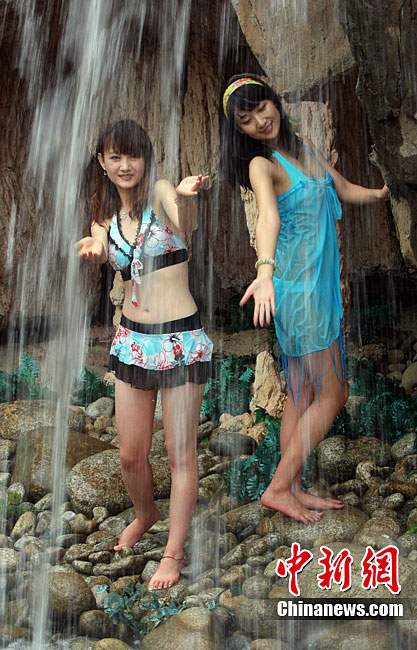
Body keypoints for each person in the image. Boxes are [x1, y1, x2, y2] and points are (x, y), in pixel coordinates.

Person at [219, 74, 389, 525]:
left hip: (315, 288)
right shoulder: (262, 165)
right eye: (246, 119)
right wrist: (264, 271)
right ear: (238, 131)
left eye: (261, 107)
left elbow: (343, 188)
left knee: (302, 392)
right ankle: (278, 487)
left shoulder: (304, 148)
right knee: (334, 393)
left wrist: (384, 193)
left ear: (274, 101)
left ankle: (291, 487)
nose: (260, 120)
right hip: (299, 291)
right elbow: (268, 219)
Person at [76, 119, 213, 588]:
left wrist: (186, 197)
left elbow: (183, 220)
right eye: (115, 156)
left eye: (132, 155)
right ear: (102, 162)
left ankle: (173, 552)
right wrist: (94, 249)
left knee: (180, 454)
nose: (124, 165)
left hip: (179, 341)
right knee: (131, 455)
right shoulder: (102, 217)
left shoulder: (159, 191)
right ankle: (146, 512)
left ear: (145, 158)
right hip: (132, 340)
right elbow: (101, 247)